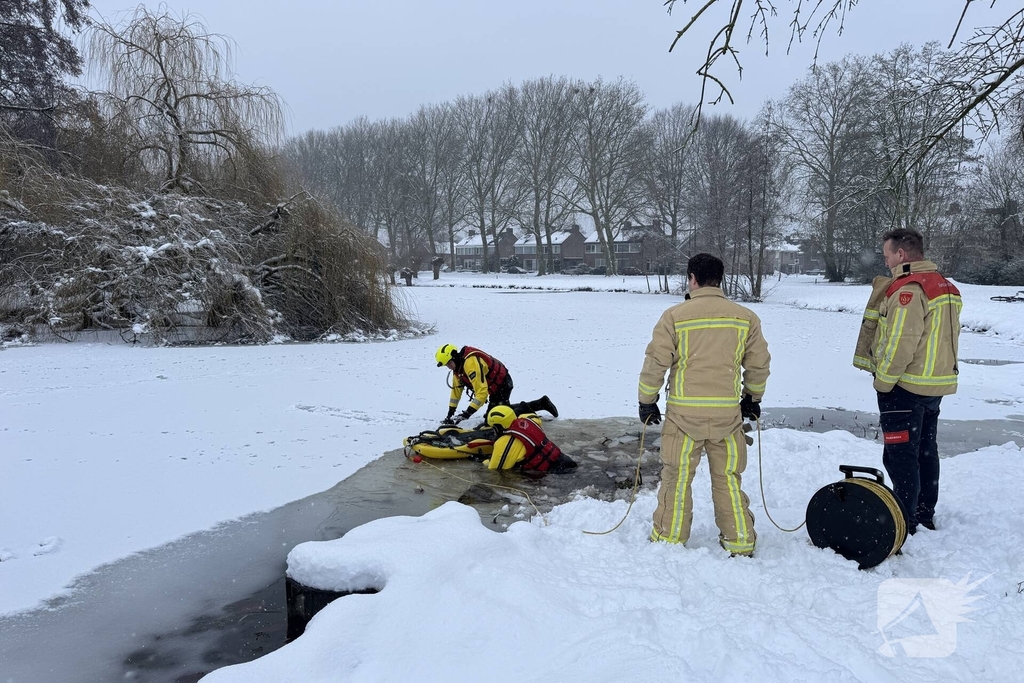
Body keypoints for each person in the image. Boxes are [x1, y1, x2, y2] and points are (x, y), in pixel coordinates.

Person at [637, 253, 771, 557]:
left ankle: (669, 537)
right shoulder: (745, 317)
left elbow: (655, 363)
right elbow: (759, 364)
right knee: (728, 479)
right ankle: (740, 540)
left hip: (684, 417)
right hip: (727, 417)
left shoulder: (674, 316)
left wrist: (647, 402)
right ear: (719, 280)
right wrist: (752, 398)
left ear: (692, 278)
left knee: (676, 478)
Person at [853, 228, 961, 534]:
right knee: (926, 451)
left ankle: (905, 521)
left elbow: (902, 342)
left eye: (887, 255)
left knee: (901, 457)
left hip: (904, 388)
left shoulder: (910, 289)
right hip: (933, 386)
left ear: (901, 254)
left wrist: (883, 383)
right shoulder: (944, 286)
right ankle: (924, 513)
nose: (885, 261)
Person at [435, 344, 558, 425]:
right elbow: (456, 392)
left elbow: (482, 393)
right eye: (447, 365)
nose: (449, 367)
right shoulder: (458, 369)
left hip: (503, 383)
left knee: (498, 418)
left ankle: (531, 407)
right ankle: (542, 403)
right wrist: (450, 414)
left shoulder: (470, 364)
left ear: (455, 357)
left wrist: (467, 414)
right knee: (494, 414)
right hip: (494, 387)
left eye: (449, 363)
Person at [482, 406, 577, 475]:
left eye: (493, 428)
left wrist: (485, 461)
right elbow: (534, 416)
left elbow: (496, 468)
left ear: (498, 427)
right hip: (565, 460)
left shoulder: (505, 442)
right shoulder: (527, 420)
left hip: (556, 473)